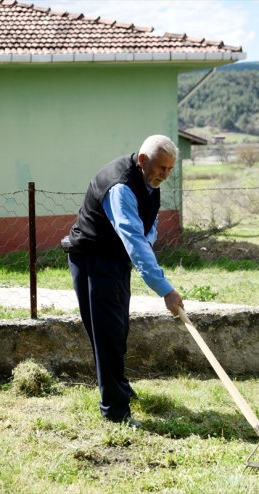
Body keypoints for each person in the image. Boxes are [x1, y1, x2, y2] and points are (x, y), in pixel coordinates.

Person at [63, 134, 185, 428]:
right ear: (143, 160)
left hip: (115, 259)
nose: (165, 176)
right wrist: (165, 290)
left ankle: (120, 387)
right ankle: (115, 411)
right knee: (106, 334)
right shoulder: (121, 187)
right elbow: (133, 239)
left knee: (119, 328)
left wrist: (145, 245)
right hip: (92, 257)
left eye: (170, 169)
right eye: (161, 168)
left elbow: (148, 226)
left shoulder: (149, 180)